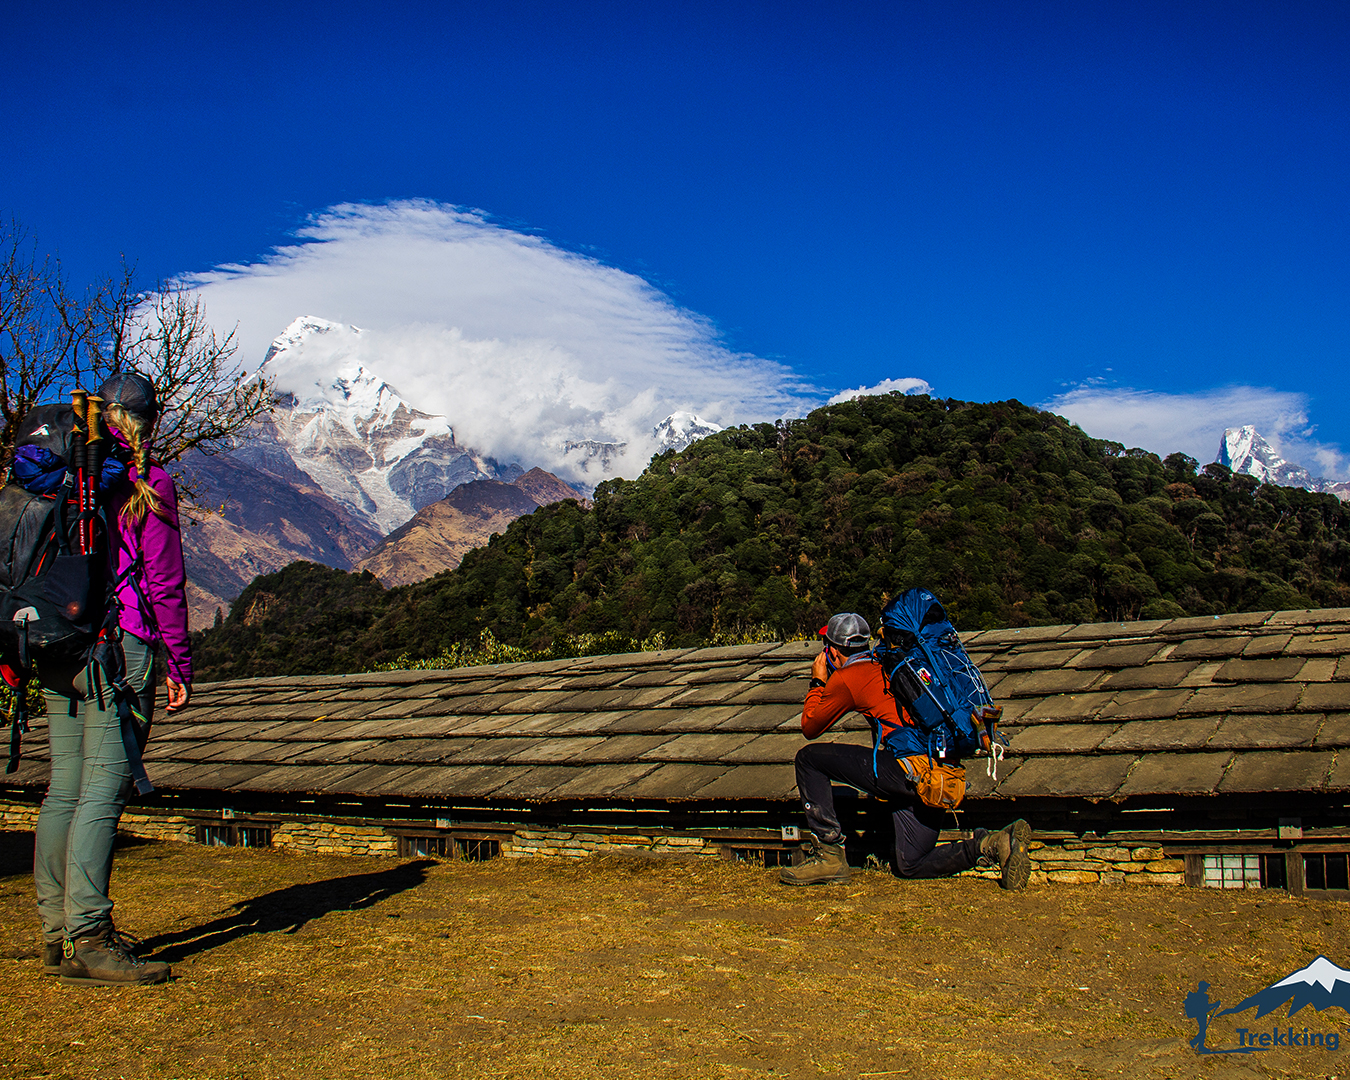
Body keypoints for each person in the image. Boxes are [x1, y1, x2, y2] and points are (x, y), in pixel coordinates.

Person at [33, 371, 192, 986]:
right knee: (105, 789)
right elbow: (163, 580)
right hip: (117, 646)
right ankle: (92, 937)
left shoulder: (69, 478)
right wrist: (178, 661)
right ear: (148, 420)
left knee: (64, 789)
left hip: (55, 644)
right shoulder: (143, 483)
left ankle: (55, 932)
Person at [779, 612, 1030, 889]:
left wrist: (818, 682)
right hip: (939, 773)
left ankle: (829, 857)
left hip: (907, 771)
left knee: (809, 758)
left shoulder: (849, 677)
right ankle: (991, 845)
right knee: (910, 863)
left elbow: (810, 726)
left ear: (834, 652)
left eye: (826, 647)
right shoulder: (890, 663)